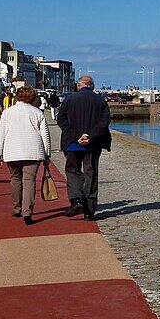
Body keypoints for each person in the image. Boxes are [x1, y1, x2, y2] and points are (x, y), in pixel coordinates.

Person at [0, 86, 51, 225]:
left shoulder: (7, 113)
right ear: (32, 98)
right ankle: (27, 212)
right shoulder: (37, 113)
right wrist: (47, 154)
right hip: (33, 151)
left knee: (15, 179)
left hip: (12, 151)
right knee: (29, 181)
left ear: (17, 96)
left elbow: (0, 134)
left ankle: (17, 208)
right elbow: (45, 136)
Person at [56, 75, 112, 220]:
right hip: (93, 144)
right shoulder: (100, 100)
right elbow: (105, 121)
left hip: (73, 143)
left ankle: (76, 199)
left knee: (72, 170)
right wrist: (90, 136)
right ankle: (89, 210)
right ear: (91, 86)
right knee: (91, 173)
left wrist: (77, 136)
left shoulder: (69, 99)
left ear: (79, 86)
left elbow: (61, 119)